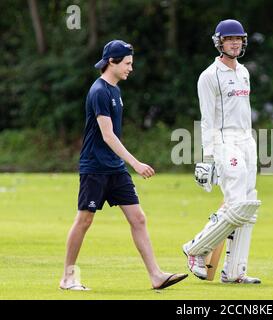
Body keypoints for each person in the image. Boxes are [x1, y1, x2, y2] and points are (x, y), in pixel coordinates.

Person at [59, 40, 188, 291]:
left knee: (138, 218)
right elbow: (108, 135)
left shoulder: (115, 91)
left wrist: (125, 164)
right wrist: (136, 163)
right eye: (128, 63)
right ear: (112, 62)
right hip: (95, 168)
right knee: (84, 220)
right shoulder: (99, 92)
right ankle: (67, 278)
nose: (131, 68)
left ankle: (156, 276)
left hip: (115, 169)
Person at [183, 20, 262, 284]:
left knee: (249, 205)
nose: (235, 43)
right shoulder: (209, 76)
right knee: (237, 204)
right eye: (230, 39)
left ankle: (235, 272)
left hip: (246, 141)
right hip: (224, 141)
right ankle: (195, 249)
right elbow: (207, 119)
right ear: (219, 42)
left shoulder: (244, 73)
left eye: (239, 39)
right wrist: (208, 157)